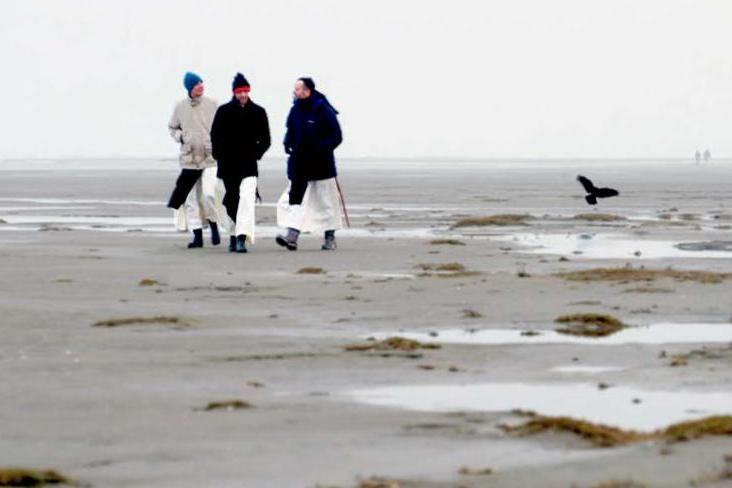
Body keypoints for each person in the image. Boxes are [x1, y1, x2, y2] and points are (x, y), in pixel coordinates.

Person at [276, 77, 344, 251]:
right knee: (295, 200)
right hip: (299, 165)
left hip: (321, 165)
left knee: (326, 203)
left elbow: (336, 135)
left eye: (298, 89)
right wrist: (287, 143)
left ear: (307, 91)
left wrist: (321, 148)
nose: (295, 92)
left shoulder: (323, 109)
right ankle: (292, 236)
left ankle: (330, 237)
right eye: (295, 89)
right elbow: (290, 130)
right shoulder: (295, 110)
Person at [211, 73, 271, 253]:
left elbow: (266, 139)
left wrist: (256, 154)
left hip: (249, 166)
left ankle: (241, 239)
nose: (243, 95)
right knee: (231, 201)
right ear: (234, 93)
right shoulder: (223, 112)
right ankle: (233, 234)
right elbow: (215, 137)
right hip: (228, 166)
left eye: (246, 91)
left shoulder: (258, 112)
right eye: (240, 92)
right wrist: (219, 156)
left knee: (246, 199)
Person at [167, 71, 221, 248]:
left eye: (202, 83)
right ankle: (197, 235)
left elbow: (223, 126)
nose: (201, 86)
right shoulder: (180, 107)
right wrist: (181, 136)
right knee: (190, 199)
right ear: (190, 87)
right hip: (189, 160)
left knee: (208, 194)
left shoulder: (212, 104)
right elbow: (172, 127)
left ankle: (213, 224)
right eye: (197, 84)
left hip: (210, 158)